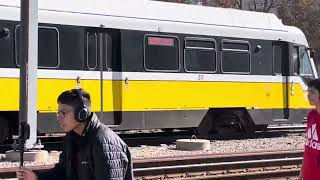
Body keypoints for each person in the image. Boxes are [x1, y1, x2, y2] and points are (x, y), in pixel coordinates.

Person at [16, 88, 133, 180]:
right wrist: (36, 177)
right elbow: (62, 172)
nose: (59, 118)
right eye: (58, 113)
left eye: (63, 113)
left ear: (81, 114)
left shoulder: (104, 144)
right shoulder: (72, 138)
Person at [300, 79, 320, 180]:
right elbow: (307, 149)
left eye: (312, 92)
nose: (308, 95)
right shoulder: (311, 115)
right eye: (308, 92)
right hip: (308, 174)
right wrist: (301, 175)